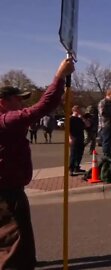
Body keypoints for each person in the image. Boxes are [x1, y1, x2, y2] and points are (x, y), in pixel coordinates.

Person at [0, 58, 74, 269]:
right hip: (7, 194)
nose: (21, 104)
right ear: (3, 101)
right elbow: (41, 108)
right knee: (14, 247)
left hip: (9, 189)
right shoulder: (5, 120)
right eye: (18, 99)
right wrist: (59, 76)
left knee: (13, 244)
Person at [98, 89, 111, 158]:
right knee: (106, 141)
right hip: (105, 125)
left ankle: (109, 156)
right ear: (108, 95)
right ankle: (106, 156)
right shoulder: (103, 102)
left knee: (110, 142)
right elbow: (102, 113)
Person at [69, 105, 86, 176]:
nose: (79, 112)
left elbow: (86, 126)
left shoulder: (79, 119)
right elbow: (68, 129)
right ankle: (71, 169)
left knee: (80, 153)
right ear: (74, 111)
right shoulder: (71, 119)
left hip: (80, 137)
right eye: (78, 110)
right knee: (73, 154)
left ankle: (77, 167)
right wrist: (69, 138)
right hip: (74, 138)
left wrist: (82, 118)